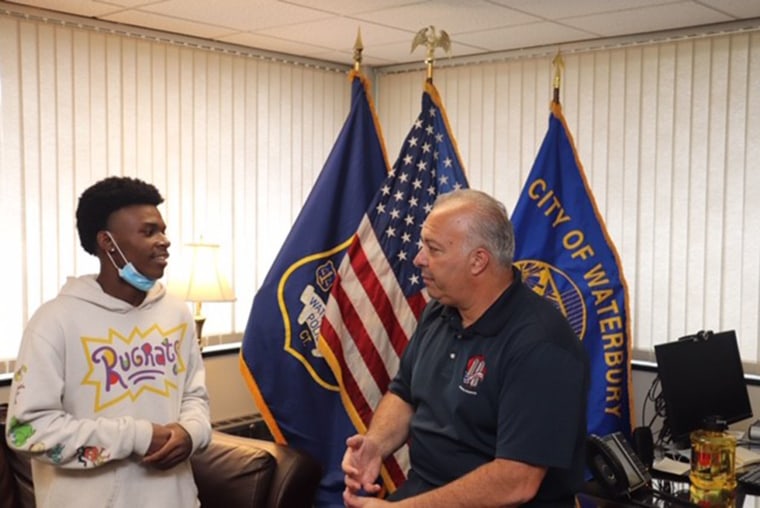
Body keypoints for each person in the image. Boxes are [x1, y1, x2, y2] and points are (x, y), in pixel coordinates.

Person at [342, 188, 589, 507]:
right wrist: (375, 444)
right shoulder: (439, 311)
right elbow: (404, 394)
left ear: (478, 261)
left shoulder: (541, 344)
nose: (419, 259)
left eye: (433, 249)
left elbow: (517, 481)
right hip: (423, 493)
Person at [5, 176, 212, 507]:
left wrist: (191, 433)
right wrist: (135, 437)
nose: (165, 241)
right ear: (108, 242)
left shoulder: (177, 313)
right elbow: (27, 431)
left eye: (163, 230)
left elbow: (195, 396)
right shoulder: (54, 321)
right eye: (149, 232)